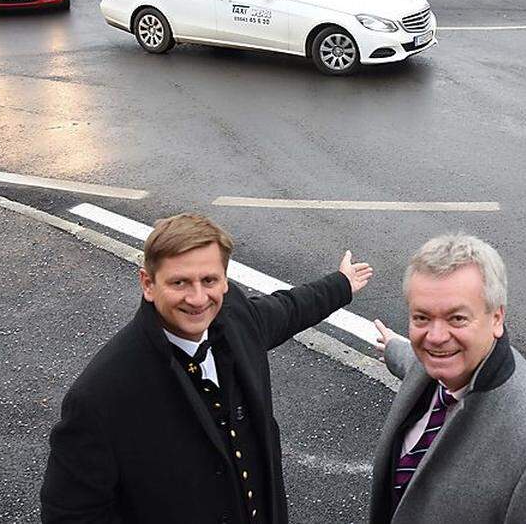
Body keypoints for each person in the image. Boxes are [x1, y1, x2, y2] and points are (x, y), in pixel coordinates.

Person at [40, 212, 373, 523]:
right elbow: (71, 514)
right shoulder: (101, 395)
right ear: (148, 284)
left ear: (225, 281)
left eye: (209, 280)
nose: (198, 298)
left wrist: (341, 284)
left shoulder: (237, 318)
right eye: (180, 283)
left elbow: (288, 309)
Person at [369, 233, 526, 524]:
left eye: (457, 318)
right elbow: (413, 363)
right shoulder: (441, 364)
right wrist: (396, 348)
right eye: (421, 317)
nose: (435, 337)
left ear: (496, 318)